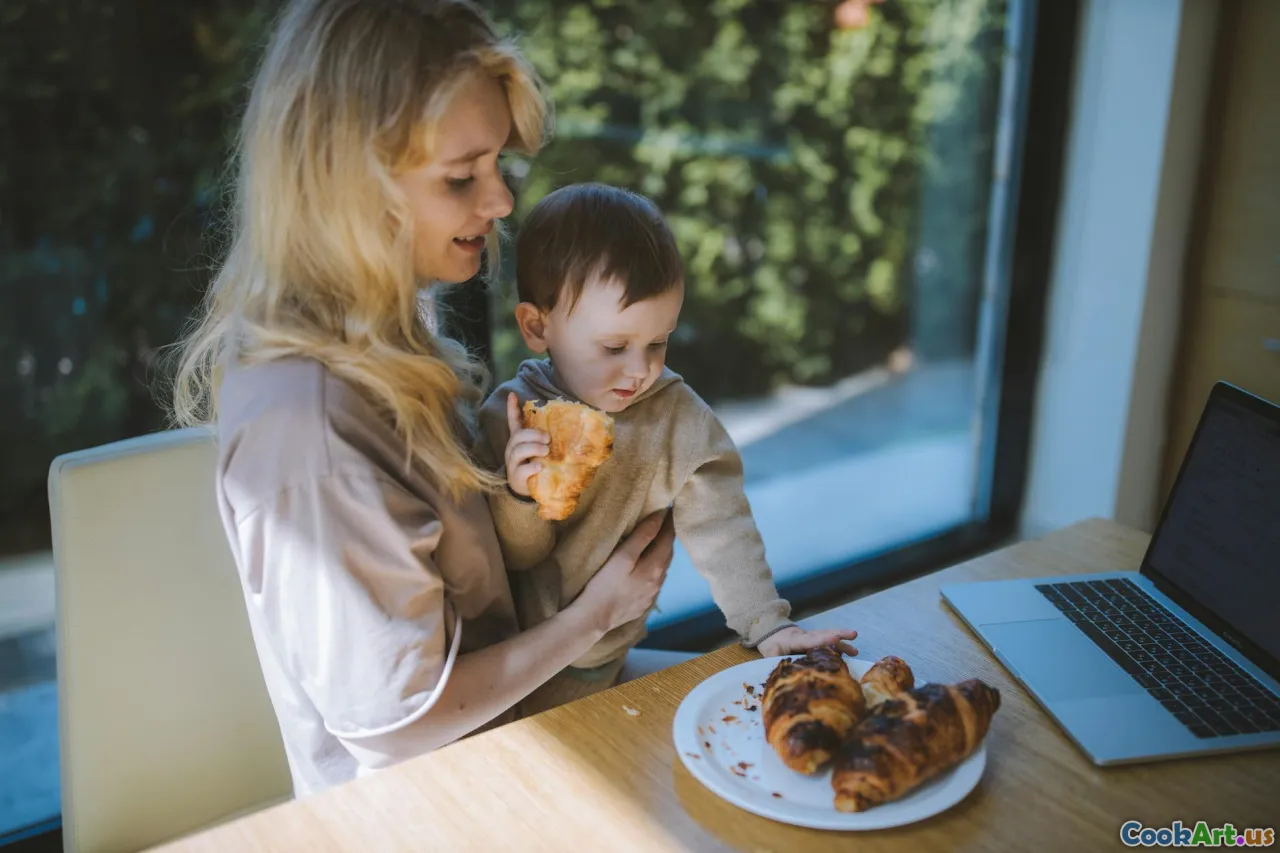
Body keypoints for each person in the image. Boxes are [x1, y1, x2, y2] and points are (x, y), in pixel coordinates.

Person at [169, 0, 676, 797]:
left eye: (497, 163)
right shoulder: (309, 431)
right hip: (438, 802)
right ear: (346, 184)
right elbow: (400, 728)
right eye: (461, 177)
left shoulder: (386, 331)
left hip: (520, 728)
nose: (501, 201)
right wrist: (595, 614)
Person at [475, 183, 859, 715]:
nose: (641, 370)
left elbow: (723, 528)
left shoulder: (677, 419)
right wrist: (520, 495)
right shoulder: (511, 418)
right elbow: (516, 557)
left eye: (658, 342)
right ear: (538, 327)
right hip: (514, 669)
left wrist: (768, 624)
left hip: (609, 656)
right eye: (615, 347)